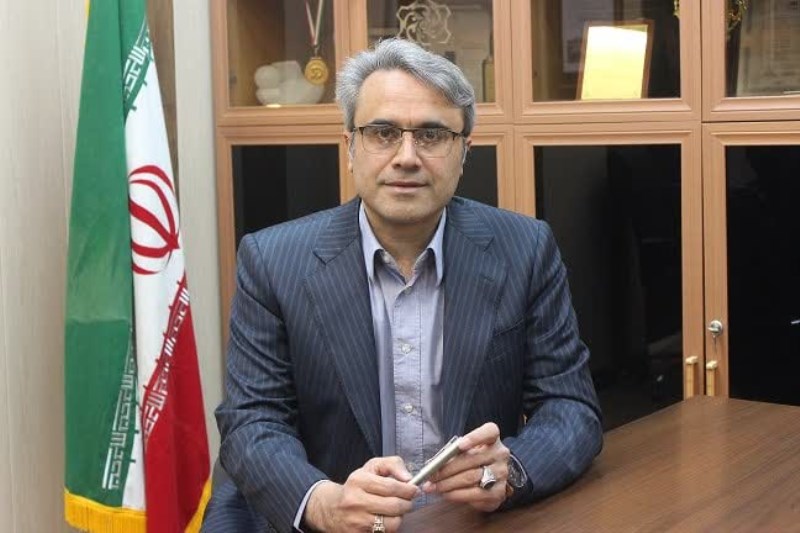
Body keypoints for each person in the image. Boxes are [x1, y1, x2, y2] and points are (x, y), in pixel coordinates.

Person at [202, 38, 602, 533]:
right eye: (383, 133)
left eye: (432, 135)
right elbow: (252, 420)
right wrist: (325, 503)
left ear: (464, 152)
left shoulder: (525, 249)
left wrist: (512, 471)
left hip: (466, 522)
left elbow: (570, 407)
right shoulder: (272, 261)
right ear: (350, 146)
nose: (406, 157)